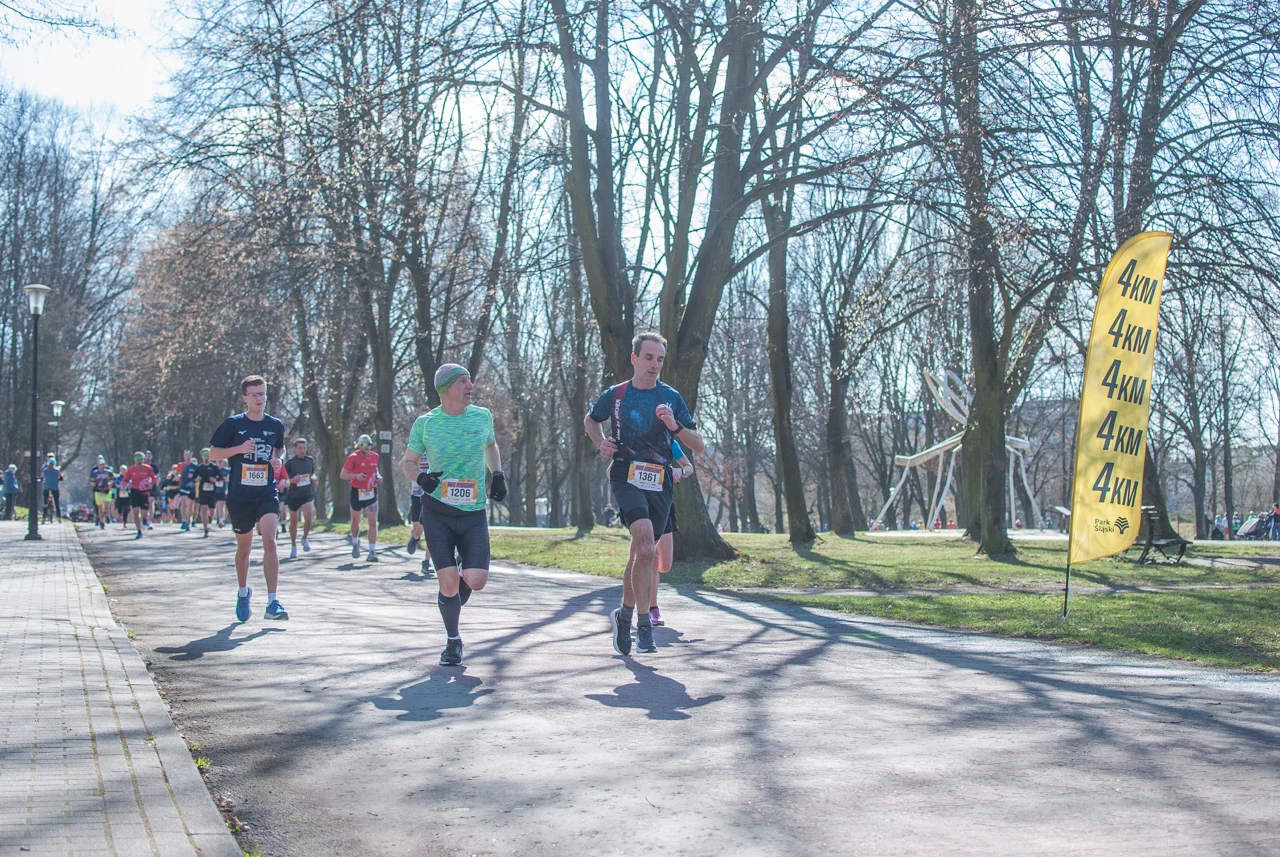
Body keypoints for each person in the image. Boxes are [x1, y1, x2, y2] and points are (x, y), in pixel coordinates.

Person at [584, 332, 705, 656]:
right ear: (635, 358)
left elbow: (699, 445)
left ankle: (623, 614)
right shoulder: (617, 394)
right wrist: (601, 442)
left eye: (660, 359)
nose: (655, 365)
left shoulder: (671, 397)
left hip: (661, 480)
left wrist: (674, 426)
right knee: (645, 540)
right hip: (627, 475)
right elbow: (591, 419)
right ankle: (643, 624)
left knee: (645, 553)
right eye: (649, 357)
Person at [399, 363, 505, 666]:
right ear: (446, 389)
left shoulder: (482, 416)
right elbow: (407, 463)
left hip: (473, 512)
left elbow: (491, 445)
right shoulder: (426, 423)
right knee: (447, 584)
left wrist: (497, 474)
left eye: (470, 379)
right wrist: (421, 480)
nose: (470, 385)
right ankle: (453, 642)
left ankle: (461, 571)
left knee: (476, 580)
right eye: (463, 381)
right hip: (437, 511)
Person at [208, 374, 289, 622]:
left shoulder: (275, 424)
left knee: (270, 543)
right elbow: (213, 453)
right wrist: (239, 449)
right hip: (240, 495)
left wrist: (279, 459)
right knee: (244, 550)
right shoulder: (233, 424)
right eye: (254, 394)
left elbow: (280, 447)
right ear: (244, 398)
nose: (259, 398)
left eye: (262, 393)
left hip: (266, 492)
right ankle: (243, 592)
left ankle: (273, 602)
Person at [645, 440, 694, 626]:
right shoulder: (633, 439)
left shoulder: (669, 441)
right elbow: (611, 471)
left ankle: (647, 578)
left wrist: (679, 471)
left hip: (664, 505)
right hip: (641, 504)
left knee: (664, 565)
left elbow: (689, 467)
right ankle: (652, 608)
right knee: (652, 557)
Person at [341, 434, 382, 562]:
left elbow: (375, 470)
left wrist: (378, 477)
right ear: (359, 445)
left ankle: (371, 551)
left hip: (371, 492)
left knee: (373, 522)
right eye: (364, 444)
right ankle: (355, 541)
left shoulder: (375, 456)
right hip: (356, 492)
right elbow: (343, 475)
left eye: (369, 444)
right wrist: (356, 476)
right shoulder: (353, 457)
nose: (367, 447)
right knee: (355, 521)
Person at [284, 438, 316, 559]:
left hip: (306, 493)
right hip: (293, 495)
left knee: (308, 518)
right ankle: (293, 546)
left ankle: (305, 538)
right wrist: (293, 480)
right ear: (295, 449)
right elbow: (284, 479)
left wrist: (313, 478)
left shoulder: (310, 460)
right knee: (294, 522)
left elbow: (312, 473)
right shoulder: (290, 463)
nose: (302, 450)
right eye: (300, 448)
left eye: (304, 448)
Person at [405, 453, 437, 576]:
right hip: (417, 495)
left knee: (431, 530)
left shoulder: (437, 447)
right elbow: (403, 465)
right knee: (418, 529)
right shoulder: (416, 449)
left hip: (433, 495)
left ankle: (426, 562)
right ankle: (415, 538)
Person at [121, 452, 156, 539]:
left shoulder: (148, 468)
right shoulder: (131, 469)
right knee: (136, 512)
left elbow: (154, 478)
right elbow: (124, 481)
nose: (139, 462)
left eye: (140, 460)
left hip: (144, 492)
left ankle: (145, 520)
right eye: (137, 460)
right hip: (135, 491)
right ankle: (139, 531)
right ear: (135, 460)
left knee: (144, 512)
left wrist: (151, 483)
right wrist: (127, 485)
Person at [194, 449, 221, 537]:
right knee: (203, 509)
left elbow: (221, 480)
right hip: (203, 491)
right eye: (205, 456)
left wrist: (215, 480)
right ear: (202, 457)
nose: (206, 458)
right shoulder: (199, 468)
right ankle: (205, 528)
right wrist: (196, 479)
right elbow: (194, 479)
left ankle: (210, 518)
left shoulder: (214, 468)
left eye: (208, 456)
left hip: (212, 492)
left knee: (212, 511)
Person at [89, 456, 114, 529]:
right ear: (98, 465)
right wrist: (95, 484)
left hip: (106, 491)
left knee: (106, 508)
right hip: (98, 491)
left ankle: (107, 516)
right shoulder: (95, 473)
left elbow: (113, 479)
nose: (102, 466)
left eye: (103, 465)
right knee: (100, 508)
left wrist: (110, 483)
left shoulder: (108, 472)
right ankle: (101, 522)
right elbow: (92, 482)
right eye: (100, 465)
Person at [178, 450, 199, 531]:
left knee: (190, 505)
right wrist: (177, 476)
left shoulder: (195, 466)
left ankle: (188, 520)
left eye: (189, 455)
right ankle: (184, 520)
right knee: (184, 504)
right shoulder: (181, 465)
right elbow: (176, 473)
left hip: (192, 488)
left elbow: (198, 475)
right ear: (184, 456)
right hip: (183, 487)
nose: (187, 456)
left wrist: (195, 478)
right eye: (186, 455)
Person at [41, 455, 63, 523]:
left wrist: (43, 479)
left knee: (45, 503)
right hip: (55, 488)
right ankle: (59, 518)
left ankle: (44, 518)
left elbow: (42, 477)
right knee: (57, 503)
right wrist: (58, 479)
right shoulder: (57, 470)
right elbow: (61, 477)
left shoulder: (45, 470)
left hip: (46, 487)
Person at [214, 459, 229, 527]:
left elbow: (227, 479)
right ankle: (215, 518)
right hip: (213, 490)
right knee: (214, 506)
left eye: (221, 461)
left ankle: (221, 520)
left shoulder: (226, 470)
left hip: (222, 490)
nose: (220, 463)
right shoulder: (213, 469)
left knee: (221, 505)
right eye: (218, 461)